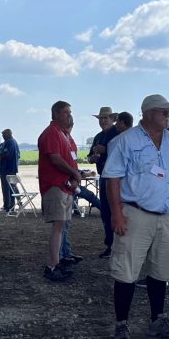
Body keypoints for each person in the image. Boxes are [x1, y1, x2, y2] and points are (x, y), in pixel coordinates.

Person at [103, 94, 169, 339]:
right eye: (164, 111)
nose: (168, 115)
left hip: (165, 216)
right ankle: (121, 326)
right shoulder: (126, 141)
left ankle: (157, 319)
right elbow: (113, 178)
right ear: (148, 113)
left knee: (161, 270)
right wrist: (117, 213)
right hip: (136, 214)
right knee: (126, 271)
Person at [38, 100, 79, 282]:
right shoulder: (51, 133)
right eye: (65, 112)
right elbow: (55, 159)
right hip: (56, 184)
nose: (69, 116)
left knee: (62, 226)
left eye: (70, 112)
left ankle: (59, 260)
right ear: (55, 114)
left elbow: (70, 155)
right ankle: (52, 265)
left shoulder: (63, 134)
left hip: (65, 185)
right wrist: (73, 172)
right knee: (59, 226)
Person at [89, 107, 120, 257]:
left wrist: (105, 150)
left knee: (118, 210)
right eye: (101, 118)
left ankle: (119, 245)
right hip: (104, 177)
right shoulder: (98, 136)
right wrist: (92, 158)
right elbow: (90, 156)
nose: (103, 121)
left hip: (118, 179)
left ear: (113, 119)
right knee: (106, 212)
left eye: (106, 118)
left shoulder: (119, 134)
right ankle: (110, 245)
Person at [0, 128, 19, 213]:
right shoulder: (14, 142)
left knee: (7, 188)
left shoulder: (9, 142)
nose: (3, 136)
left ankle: (8, 206)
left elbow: (6, 154)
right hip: (12, 168)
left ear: (8, 134)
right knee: (12, 187)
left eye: (4, 135)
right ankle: (11, 206)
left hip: (7, 169)